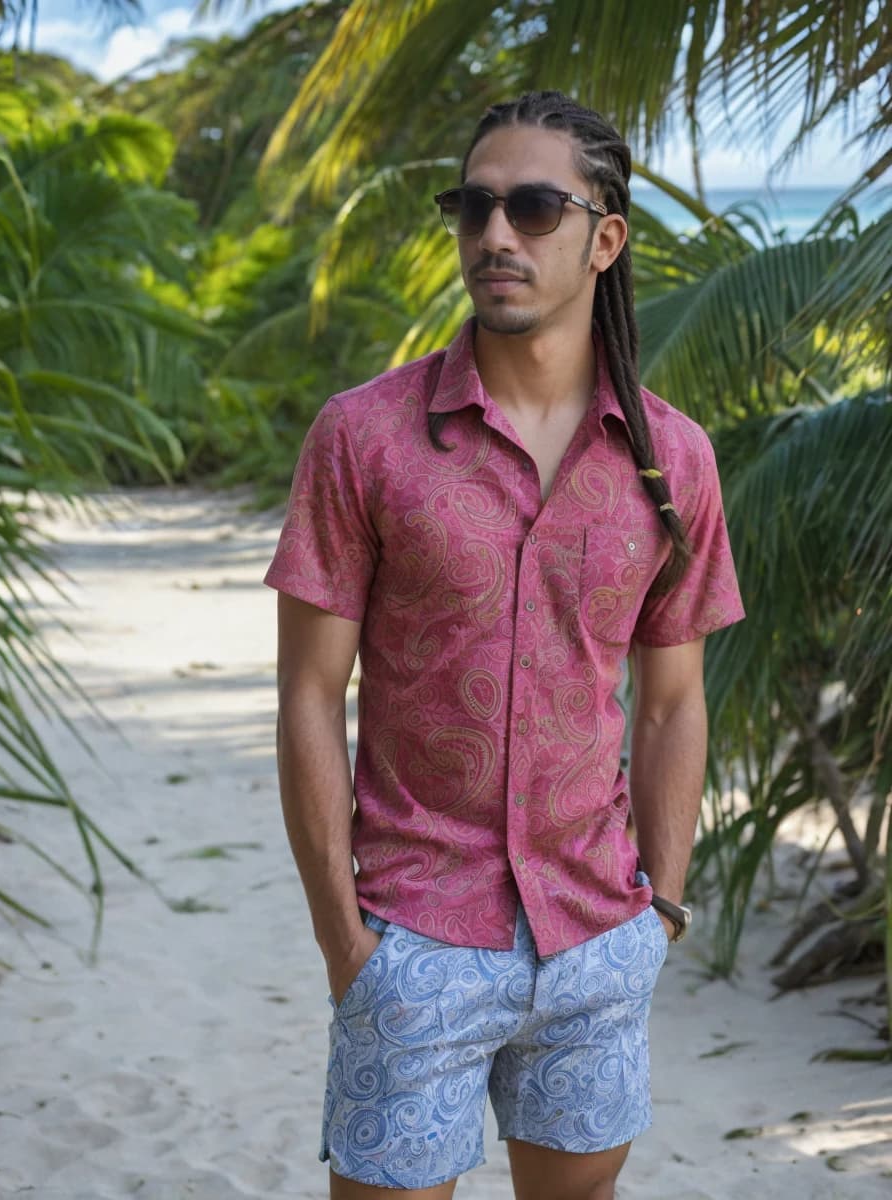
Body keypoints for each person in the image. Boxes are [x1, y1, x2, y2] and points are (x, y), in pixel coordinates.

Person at [265, 90, 745, 1200]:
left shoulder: (672, 460)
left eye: (533, 207)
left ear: (604, 239)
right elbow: (306, 695)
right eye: (472, 207)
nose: (494, 235)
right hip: (414, 933)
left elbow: (672, 702)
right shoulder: (362, 436)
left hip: (596, 937)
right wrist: (348, 945)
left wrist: (657, 910)